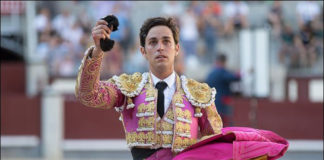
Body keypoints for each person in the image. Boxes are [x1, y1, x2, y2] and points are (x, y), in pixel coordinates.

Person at [75, 16, 288, 160]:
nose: (160, 47)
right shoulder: (129, 88)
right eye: (153, 42)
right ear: (143, 50)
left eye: (166, 41)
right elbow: (88, 95)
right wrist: (97, 52)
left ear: (177, 48)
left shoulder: (198, 93)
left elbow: (214, 147)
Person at [205, 53, 241, 127]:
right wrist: (242, 73)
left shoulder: (211, 73)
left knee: (214, 122)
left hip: (211, 101)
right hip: (222, 101)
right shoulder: (222, 72)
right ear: (224, 62)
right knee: (225, 122)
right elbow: (235, 78)